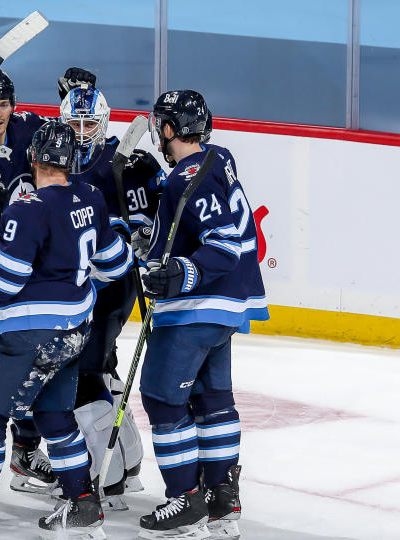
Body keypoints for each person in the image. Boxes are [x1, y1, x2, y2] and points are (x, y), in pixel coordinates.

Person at [0, 122, 132, 539]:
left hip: (30, 335)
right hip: (75, 331)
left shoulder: (28, 208)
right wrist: (123, 237)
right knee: (54, 415)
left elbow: (5, 281)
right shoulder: (91, 198)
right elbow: (116, 263)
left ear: (33, 158)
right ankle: (83, 506)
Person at [0, 67, 96, 496]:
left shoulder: (29, 127)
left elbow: (73, 140)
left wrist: (72, 96)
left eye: (5, 102)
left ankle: (24, 453)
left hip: (29, 281)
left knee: (33, 371)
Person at [136, 90, 269, 539]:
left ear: (170, 129)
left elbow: (225, 243)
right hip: (229, 308)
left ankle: (185, 501)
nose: (157, 132)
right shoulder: (218, 157)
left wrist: (179, 272)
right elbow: (191, 210)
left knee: (161, 398)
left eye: (160, 124)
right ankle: (222, 498)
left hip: (196, 308)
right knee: (213, 402)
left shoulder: (184, 179)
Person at [59, 83, 166, 508]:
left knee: (86, 373)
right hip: (77, 287)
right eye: (76, 123)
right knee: (101, 370)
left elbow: (163, 214)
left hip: (115, 285)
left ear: (104, 122)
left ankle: (111, 475)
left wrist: (142, 236)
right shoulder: (57, 160)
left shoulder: (133, 163)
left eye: (90, 122)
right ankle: (129, 462)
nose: (83, 131)